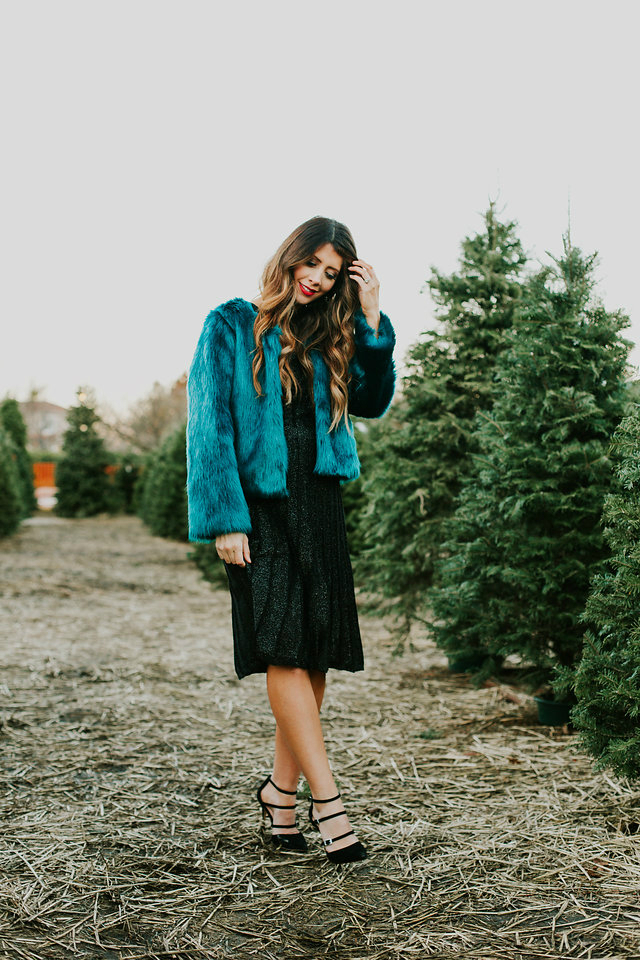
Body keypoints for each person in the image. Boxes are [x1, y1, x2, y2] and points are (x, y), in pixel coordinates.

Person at [186, 216, 396, 864]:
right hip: (261, 508)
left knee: (315, 657)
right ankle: (328, 807)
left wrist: (371, 320)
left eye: (332, 273)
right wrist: (225, 517)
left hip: (320, 502)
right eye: (313, 264)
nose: (317, 279)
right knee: (282, 647)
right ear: (291, 258)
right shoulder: (230, 324)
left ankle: (281, 795)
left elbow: (372, 400)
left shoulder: (328, 333)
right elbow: (208, 422)